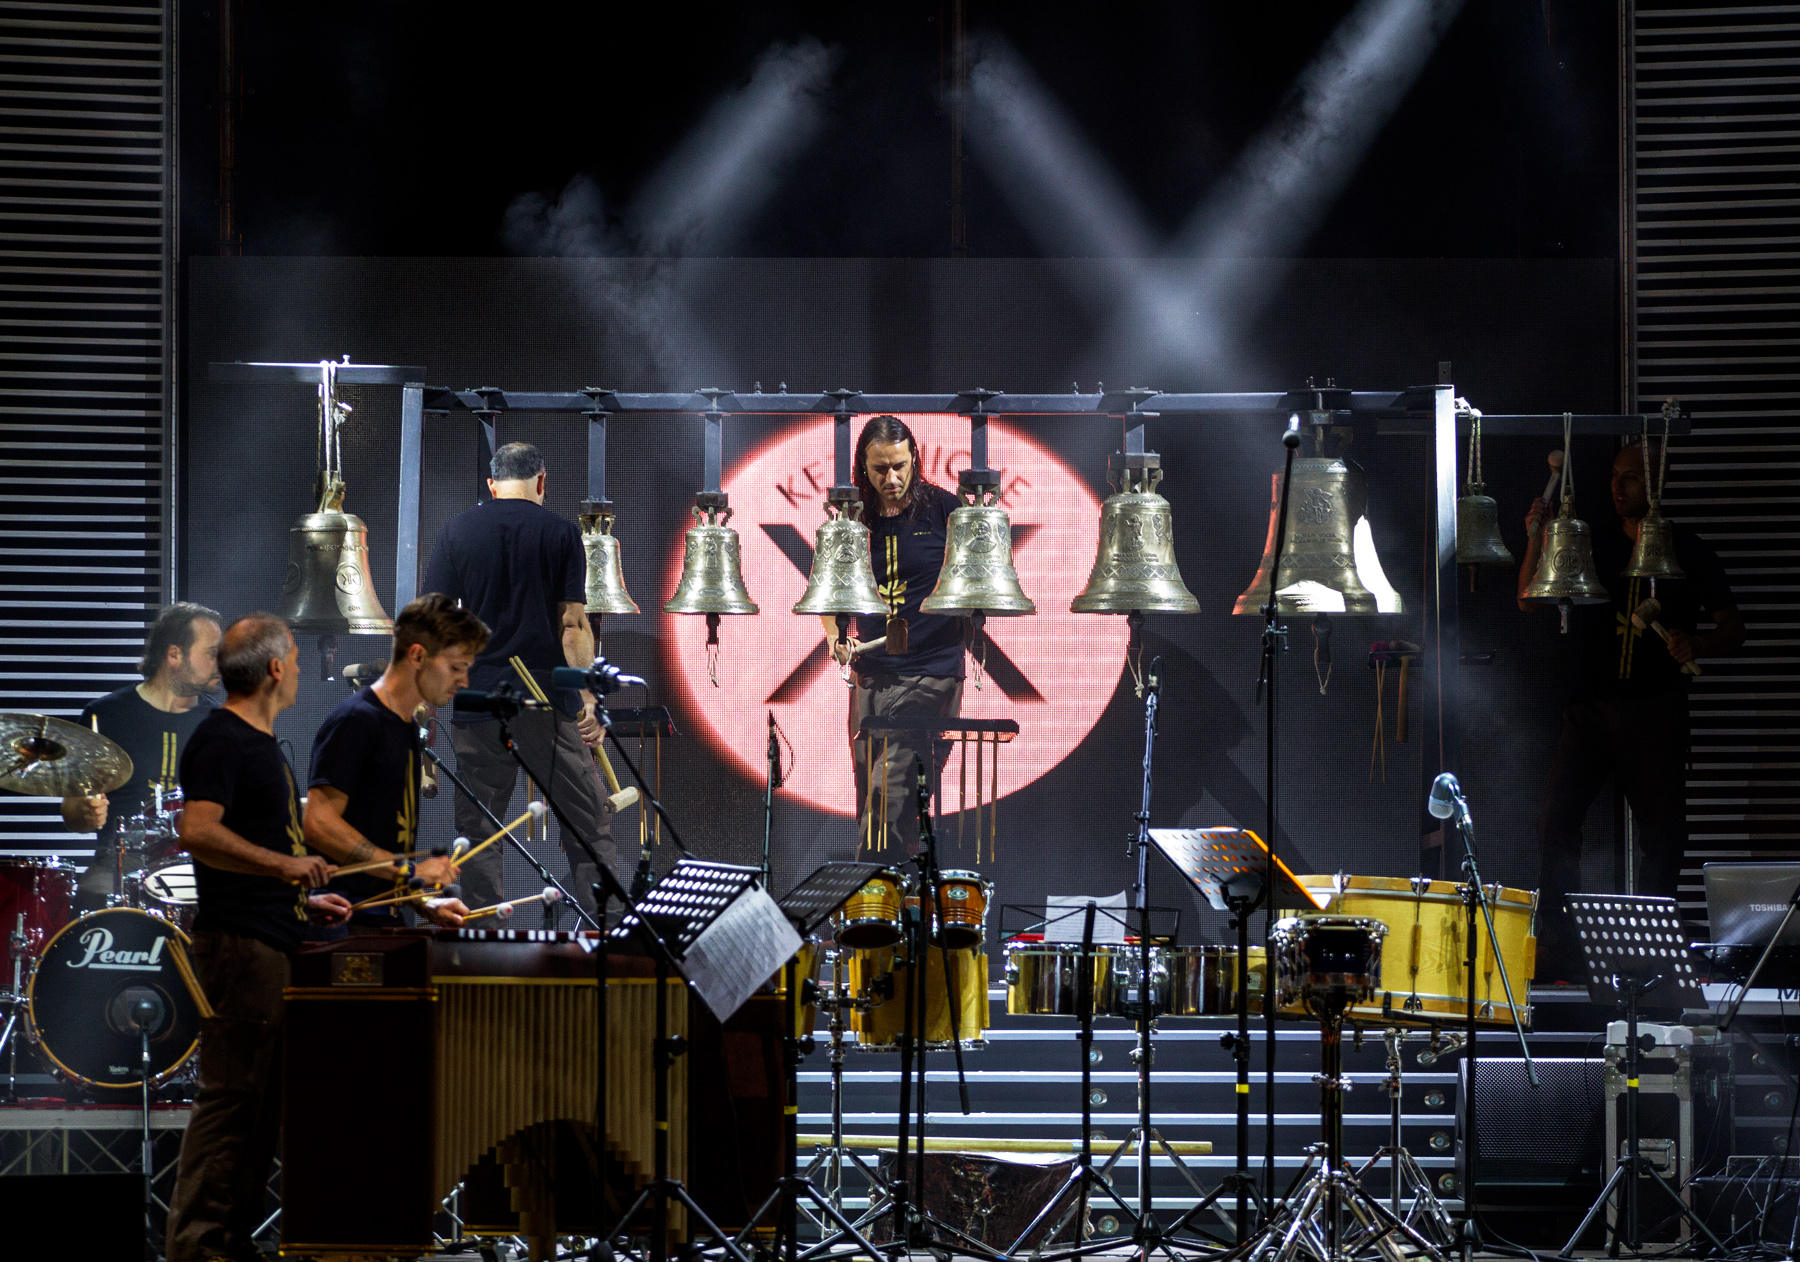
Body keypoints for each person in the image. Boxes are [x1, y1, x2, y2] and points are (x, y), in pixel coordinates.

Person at [1518, 439, 1745, 980]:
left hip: (1655, 710)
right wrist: (1537, 537)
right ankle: (1559, 941)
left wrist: (1697, 644)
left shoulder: (1689, 551)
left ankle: (1651, 948)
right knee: (1556, 823)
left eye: (1631, 479)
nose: (1617, 489)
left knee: (1664, 834)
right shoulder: (1589, 544)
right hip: (1589, 711)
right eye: (1614, 477)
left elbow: (1734, 628)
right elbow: (1529, 598)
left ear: (1657, 483)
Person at [165, 614, 350, 1262]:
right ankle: (197, 1250)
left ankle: (231, 1244)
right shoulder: (223, 738)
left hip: (270, 936)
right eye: (294, 657)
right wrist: (283, 867)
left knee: (259, 1110)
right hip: (239, 948)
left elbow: (265, 850)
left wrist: (301, 896)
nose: (299, 667)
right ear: (274, 668)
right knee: (232, 1101)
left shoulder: (261, 744)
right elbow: (197, 831)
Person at [422, 441, 616, 914]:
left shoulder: (456, 531)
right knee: (587, 824)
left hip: (477, 702)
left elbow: (432, 624)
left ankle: (484, 935)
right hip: (545, 701)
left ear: (492, 484)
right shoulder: (562, 533)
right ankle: (608, 935)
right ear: (541, 481)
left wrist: (425, 703)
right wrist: (588, 698)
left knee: (479, 826)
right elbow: (573, 625)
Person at [823, 415, 965, 854]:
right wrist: (836, 639)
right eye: (880, 469)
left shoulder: (945, 509)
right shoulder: (853, 520)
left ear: (915, 459)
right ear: (862, 470)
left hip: (932, 671)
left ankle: (868, 899)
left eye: (900, 466)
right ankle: (896, 903)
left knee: (892, 791)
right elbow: (829, 591)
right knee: (871, 793)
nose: (892, 477)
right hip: (873, 674)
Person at [304, 593, 486, 930]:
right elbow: (319, 824)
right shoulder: (356, 721)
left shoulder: (404, 728)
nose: (464, 681)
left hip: (384, 918)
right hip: (343, 923)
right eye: (456, 667)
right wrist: (411, 871)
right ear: (418, 655)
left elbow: (382, 847)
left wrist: (421, 900)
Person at [63, 602, 222, 907]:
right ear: (174, 655)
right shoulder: (106, 715)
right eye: (212, 653)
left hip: (202, 860)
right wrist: (85, 813)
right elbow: (71, 812)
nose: (222, 663)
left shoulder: (221, 723)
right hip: (121, 862)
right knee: (90, 899)